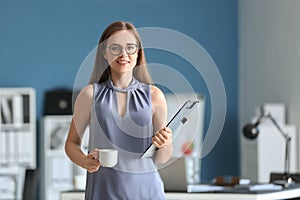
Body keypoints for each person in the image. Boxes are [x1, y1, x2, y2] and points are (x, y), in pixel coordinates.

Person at [65, 21, 173, 200]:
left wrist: (166, 143)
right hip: (103, 192)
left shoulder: (155, 95)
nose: (123, 54)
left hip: (148, 192)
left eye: (130, 48)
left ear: (138, 53)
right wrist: (84, 161)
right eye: (115, 48)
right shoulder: (89, 95)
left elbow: (162, 158)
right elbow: (71, 144)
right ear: (104, 53)